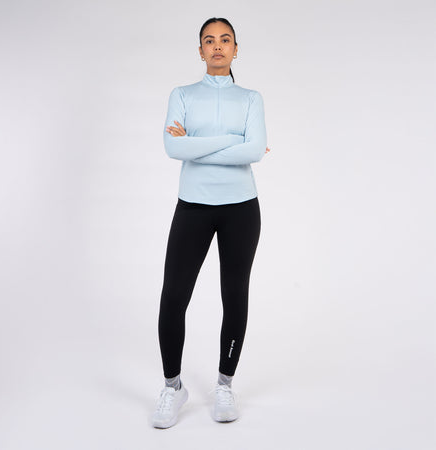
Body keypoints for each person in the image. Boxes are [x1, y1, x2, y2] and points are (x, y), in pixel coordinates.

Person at [152, 17, 270, 429]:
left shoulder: (251, 98)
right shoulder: (182, 94)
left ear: (236, 49)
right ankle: (172, 387)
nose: (217, 46)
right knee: (173, 296)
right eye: (209, 40)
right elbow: (172, 147)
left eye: (225, 40)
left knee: (234, 295)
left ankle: (224, 384)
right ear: (200, 50)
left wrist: (195, 145)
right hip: (193, 208)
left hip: (241, 209)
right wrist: (234, 141)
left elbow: (254, 151)